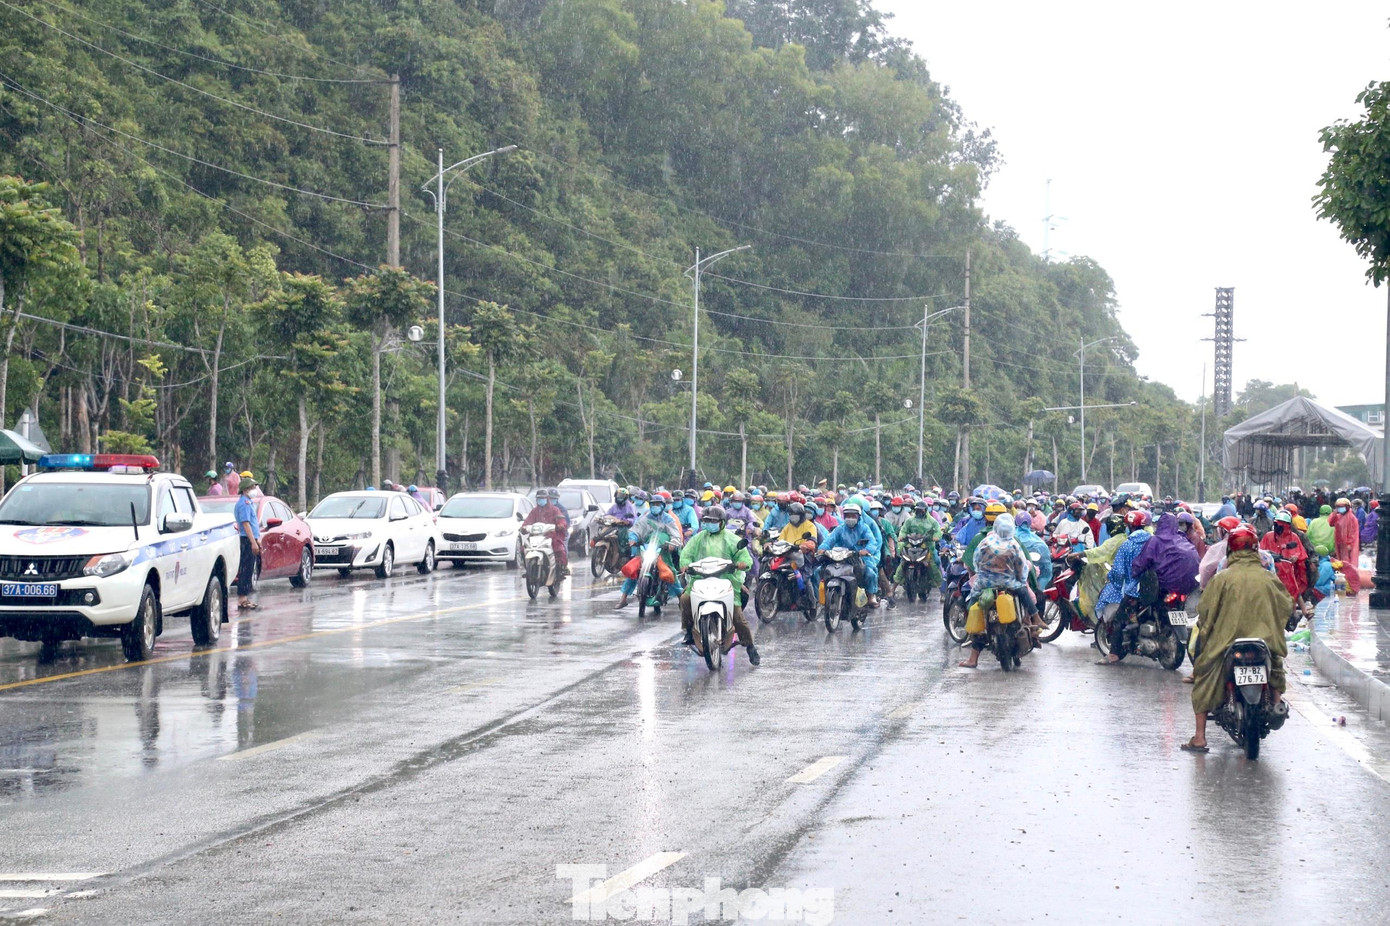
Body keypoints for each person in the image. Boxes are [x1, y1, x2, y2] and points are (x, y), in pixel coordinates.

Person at [1183, 525, 1290, 753]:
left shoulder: (1222, 578)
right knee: (1277, 665)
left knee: (1203, 675)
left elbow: (1206, 611)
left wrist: (1207, 629)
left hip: (1226, 643)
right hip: (1264, 642)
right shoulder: (1268, 578)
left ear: (1231, 550)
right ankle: (1277, 703)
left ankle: (1200, 737)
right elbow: (1285, 606)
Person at [678, 504, 760, 665]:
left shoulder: (732, 539)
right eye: (707, 521)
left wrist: (742, 563)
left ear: (722, 522)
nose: (710, 524)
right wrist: (685, 564)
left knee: (737, 615)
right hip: (700, 579)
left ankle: (750, 646)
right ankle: (688, 631)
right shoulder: (698, 538)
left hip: (728, 580)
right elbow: (686, 554)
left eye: (713, 521)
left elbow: (745, 557)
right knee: (685, 600)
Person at [958, 514, 1035, 668]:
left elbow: (975, 561)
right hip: (1008, 583)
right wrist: (1020, 580)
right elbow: (1021, 566)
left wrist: (984, 573)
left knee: (975, 608)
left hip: (984, 583)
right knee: (1025, 594)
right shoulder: (1014, 544)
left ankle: (973, 659)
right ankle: (1035, 619)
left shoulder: (985, 541)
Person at [1099, 509, 1155, 662]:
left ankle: (1114, 654)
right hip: (1155, 589)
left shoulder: (1127, 545)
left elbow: (1118, 572)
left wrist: (1111, 578)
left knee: (1119, 619)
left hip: (1135, 591)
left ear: (1130, 526)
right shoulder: (1153, 541)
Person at [616, 493, 684, 609]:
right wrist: (633, 539)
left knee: (670, 573)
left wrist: (673, 544)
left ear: (663, 506)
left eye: (658, 504)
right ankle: (623, 599)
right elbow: (635, 531)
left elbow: (676, 535)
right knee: (634, 571)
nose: (655, 506)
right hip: (646, 551)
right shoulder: (645, 518)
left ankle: (681, 599)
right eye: (653, 504)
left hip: (663, 552)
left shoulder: (668, 519)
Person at [818, 501, 882, 607]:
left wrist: (866, 550)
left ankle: (871, 596)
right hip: (841, 557)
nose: (850, 518)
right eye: (848, 515)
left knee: (870, 574)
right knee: (820, 570)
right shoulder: (840, 529)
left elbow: (872, 542)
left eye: (853, 516)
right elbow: (829, 540)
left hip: (859, 558)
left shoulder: (864, 528)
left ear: (858, 517)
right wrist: (822, 549)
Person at [1260, 509, 1310, 609]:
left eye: (1282, 524)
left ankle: (1298, 610)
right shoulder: (1268, 536)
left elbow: (1300, 552)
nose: (1279, 527)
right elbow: (1261, 552)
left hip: (1289, 570)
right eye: (1277, 524)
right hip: (1271, 570)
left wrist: (1295, 557)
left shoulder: (1294, 537)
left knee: (1294, 588)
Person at [522, 487, 570, 578]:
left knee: (559, 548)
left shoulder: (555, 510)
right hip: (535, 536)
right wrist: (523, 528)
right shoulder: (534, 511)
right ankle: (528, 569)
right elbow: (528, 521)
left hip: (551, 536)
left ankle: (562, 567)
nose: (541, 500)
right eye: (539, 498)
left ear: (547, 499)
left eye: (543, 498)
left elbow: (562, 520)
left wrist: (560, 525)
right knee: (523, 548)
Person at [234, 477, 262, 611]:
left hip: (251, 539)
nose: (254, 490)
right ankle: (242, 599)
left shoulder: (248, 502)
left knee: (249, 569)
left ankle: (244, 598)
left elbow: (254, 524)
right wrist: (253, 542)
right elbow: (245, 524)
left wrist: (258, 538)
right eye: (252, 488)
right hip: (246, 540)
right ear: (245, 490)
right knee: (246, 569)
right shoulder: (244, 504)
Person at [1331, 497, 1361, 594]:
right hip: (1340, 545)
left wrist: (1349, 544)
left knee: (1348, 565)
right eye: (1338, 507)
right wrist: (1334, 513)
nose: (1340, 509)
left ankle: (1350, 585)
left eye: (1342, 507)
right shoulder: (1339, 516)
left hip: (1347, 546)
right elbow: (1331, 523)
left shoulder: (1352, 518)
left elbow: (1353, 532)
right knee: (1341, 564)